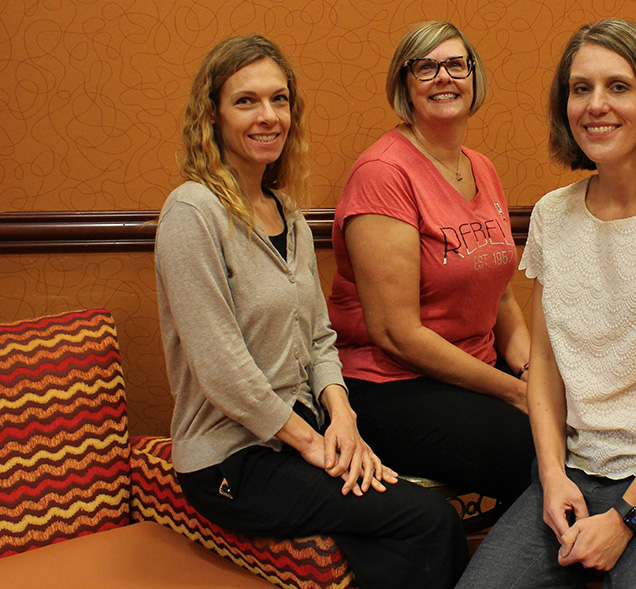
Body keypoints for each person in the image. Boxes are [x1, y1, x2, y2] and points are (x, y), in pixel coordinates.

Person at [154, 35, 467, 589]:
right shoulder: (192, 211)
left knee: (427, 476)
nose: (268, 116)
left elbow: (320, 339)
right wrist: (316, 447)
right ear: (213, 115)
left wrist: (344, 419)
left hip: (306, 428)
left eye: (279, 100)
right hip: (233, 460)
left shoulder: (288, 215)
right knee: (428, 520)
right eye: (246, 101)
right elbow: (221, 368)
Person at [458, 19, 636, 588]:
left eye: (619, 86)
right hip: (577, 470)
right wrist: (551, 477)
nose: (596, 105)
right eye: (580, 88)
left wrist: (627, 517)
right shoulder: (551, 215)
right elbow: (543, 363)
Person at [327, 21, 534, 505]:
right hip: (393, 384)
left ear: (473, 77)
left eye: (456, 64)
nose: (444, 77)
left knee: (589, 430)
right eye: (426, 67)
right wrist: (513, 392)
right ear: (405, 85)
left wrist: (529, 371)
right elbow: (397, 334)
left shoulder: (480, 165)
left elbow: (500, 295)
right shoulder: (383, 174)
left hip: (476, 369)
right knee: (538, 455)